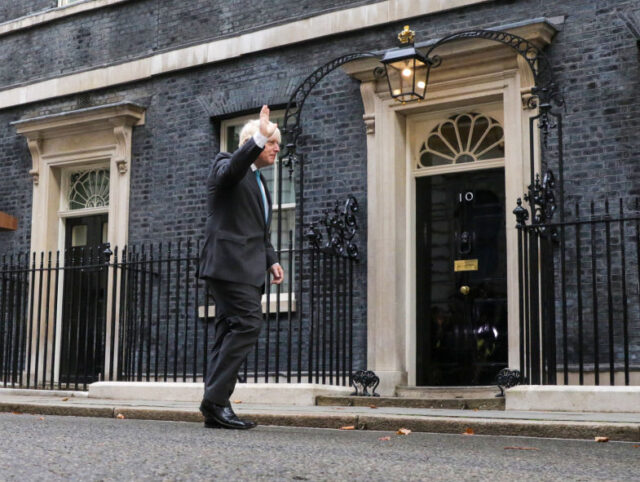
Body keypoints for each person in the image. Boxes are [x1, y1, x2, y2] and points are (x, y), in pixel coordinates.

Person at [198, 105, 284, 429]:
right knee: (249, 323)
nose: (276, 148)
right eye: (272, 142)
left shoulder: (262, 185)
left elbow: (260, 231)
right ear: (254, 142)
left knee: (225, 334)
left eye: (275, 143)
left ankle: (215, 407)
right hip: (227, 266)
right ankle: (215, 401)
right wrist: (260, 136)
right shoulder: (225, 164)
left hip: (246, 270)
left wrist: (272, 260)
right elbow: (232, 169)